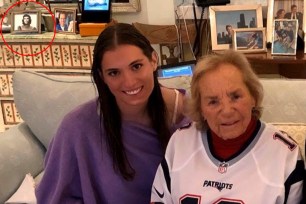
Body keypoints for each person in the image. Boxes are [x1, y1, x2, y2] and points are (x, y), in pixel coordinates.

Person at [35, 23, 190, 203]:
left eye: (136, 66)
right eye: (114, 73)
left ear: (153, 60)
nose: (129, 82)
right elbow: (54, 197)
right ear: (102, 76)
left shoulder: (196, 115)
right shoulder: (77, 128)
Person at [151, 50, 305, 203]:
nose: (226, 111)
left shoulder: (286, 154)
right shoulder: (180, 143)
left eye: (235, 97)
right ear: (201, 109)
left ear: (253, 97)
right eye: (213, 101)